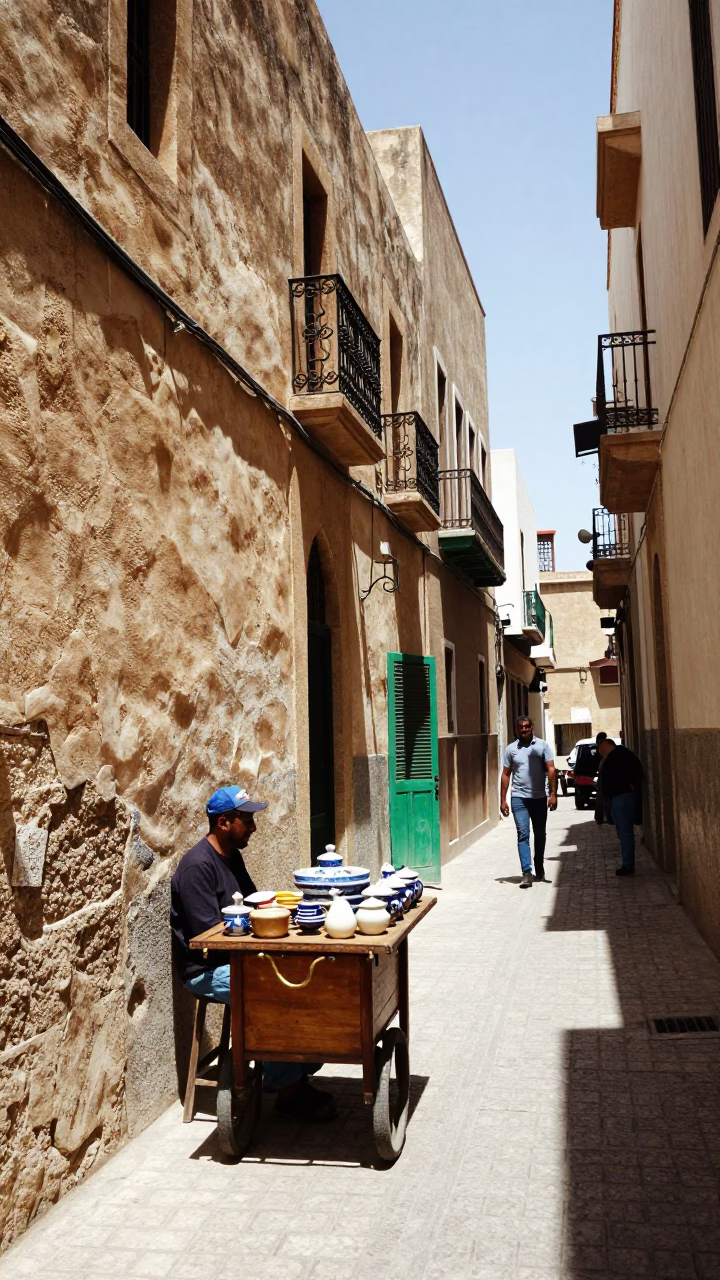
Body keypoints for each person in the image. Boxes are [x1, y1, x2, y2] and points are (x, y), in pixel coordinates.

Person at [171, 785, 335, 1122]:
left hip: (239, 957)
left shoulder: (233, 857)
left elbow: (252, 903)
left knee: (302, 977)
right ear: (224, 823)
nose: (254, 827)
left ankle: (296, 1073)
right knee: (267, 992)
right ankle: (289, 1091)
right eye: (246, 821)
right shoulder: (196, 868)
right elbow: (210, 939)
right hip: (206, 969)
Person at [500, 716, 557, 888]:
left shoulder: (542, 746)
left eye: (527, 726)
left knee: (540, 834)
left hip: (539, 798)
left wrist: (553, 794)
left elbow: (551, 769)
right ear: (517, 729)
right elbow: (506, 774)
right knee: (523, 834)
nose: (524, 729)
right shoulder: (511, 749)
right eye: (521, 727)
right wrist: (502, 800)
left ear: (532, 727)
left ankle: (538, 863)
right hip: (519, 797)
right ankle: (526, 872)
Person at [596, 738, 643, 875]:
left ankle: (628, 865)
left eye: (600, 747)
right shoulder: (613, 756)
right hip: (617, 798)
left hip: (622, 798)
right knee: (623, 832)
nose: (600, 751)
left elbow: (637, 771)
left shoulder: (622, 754)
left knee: (625, 832)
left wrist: (632, 785)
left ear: (606, 745)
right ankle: (627, 863)